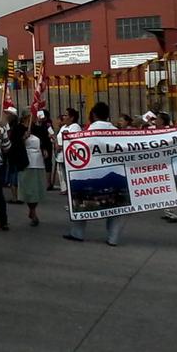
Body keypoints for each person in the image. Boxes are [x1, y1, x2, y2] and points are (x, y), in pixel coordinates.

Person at [64, 102, 126, 246]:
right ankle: (113, 238)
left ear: (93, 115)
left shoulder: (86, 134)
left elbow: (75, 150)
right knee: (114, 207)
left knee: (81, 203)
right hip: (114, 174)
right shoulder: (116, 132)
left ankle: (77, 233)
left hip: (90, 175)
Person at [17, 115, 46, 226]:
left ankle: (33, 209)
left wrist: (44, 149)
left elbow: (44, 141)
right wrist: (23, 137)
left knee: (36, 188)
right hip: (26, 162)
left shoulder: (38, 129)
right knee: (29, 189)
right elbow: (15, 145)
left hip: (38, 162)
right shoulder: (18, 129)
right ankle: (32, 211)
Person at [56, 108, 82, 194]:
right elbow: (59, 137)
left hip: (69, 154)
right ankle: (64, 188)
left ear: (72, 118)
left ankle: (72, 188)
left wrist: (62, 146)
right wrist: (56, 144)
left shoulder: (75, 127)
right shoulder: (63, 127)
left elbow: (74, 140)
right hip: (60, 154)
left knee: (69, 172)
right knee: (61, 172)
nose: (64, 116)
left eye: (66, 115)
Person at [4, 107, 26, 204]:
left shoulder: (16, 128)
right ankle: (16, 196)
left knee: (15, 174)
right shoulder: (10, 128)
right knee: (14, 174)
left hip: (15, 154)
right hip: (14, 154)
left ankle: (16, 197)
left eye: (8, 114)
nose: (6, 116)